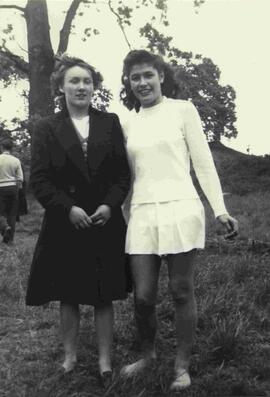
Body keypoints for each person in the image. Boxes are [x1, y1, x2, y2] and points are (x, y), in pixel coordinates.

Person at [120, 50, 238, 391]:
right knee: (143, 297)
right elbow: (122, 175)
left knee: (181, 291)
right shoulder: (127, 121)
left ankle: (182, 366)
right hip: (142, 212)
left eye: (148, 75)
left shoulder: (183, 110)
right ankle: (148, 355)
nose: (142, 82)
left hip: (181, 208)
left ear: (161, 76)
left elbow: (203, 163)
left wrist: (220, 209)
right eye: (135, 77)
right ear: (128, 82)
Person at [26, 55, 131, 387]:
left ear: (94, 87)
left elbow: (121, 176)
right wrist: (67, 208)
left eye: (87, 81)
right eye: (74, 81)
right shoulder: (45, 127)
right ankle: (69, 357)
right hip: (64, 222)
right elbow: (40, 180)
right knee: (68, 293)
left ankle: (104, 361)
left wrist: (110, 206)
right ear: (61, 86)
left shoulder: (110, 122)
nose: (81, 87)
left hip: (103, 221)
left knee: (103, 294)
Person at [0, 138, 24, 244]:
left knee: (1, 212)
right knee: (12, 214)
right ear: (12, 148)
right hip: (13, 188)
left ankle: (5, 227)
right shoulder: (16, 160)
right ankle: (10, 240)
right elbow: (20, 178)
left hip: (1, 188)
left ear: (2, 147)